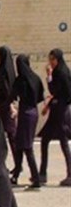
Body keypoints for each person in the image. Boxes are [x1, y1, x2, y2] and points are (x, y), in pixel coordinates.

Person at [9, 54, 44, 188]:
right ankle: (16, 175)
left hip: (25, 113)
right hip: (33, 112)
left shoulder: (21, 80)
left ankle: (36, 179)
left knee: (27, 147)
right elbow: (40, 96)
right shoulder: (36, 78)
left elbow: (13, 95)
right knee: (20, 144)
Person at [39, 48, 71, 186]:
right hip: (56, 112)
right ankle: (42, 173)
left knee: (63, 142)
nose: (51, 62)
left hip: (60, 113)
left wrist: (49, 76)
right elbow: (57, 93)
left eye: (53, 59)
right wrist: (49, 105)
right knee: (45, 140)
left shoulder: (61, 73)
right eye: (50, 59)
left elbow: (56, 91)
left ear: (58, 59)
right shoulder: (60, 71)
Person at [0, 46, 17, 162]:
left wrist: (10, 106)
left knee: (1, 133)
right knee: (9, 135)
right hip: (5, 104)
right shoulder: (10, 70)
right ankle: (17, 162)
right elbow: (7, 86)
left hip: (3, 105)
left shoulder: (2, 70)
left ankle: (0, 160)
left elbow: (6, 90)